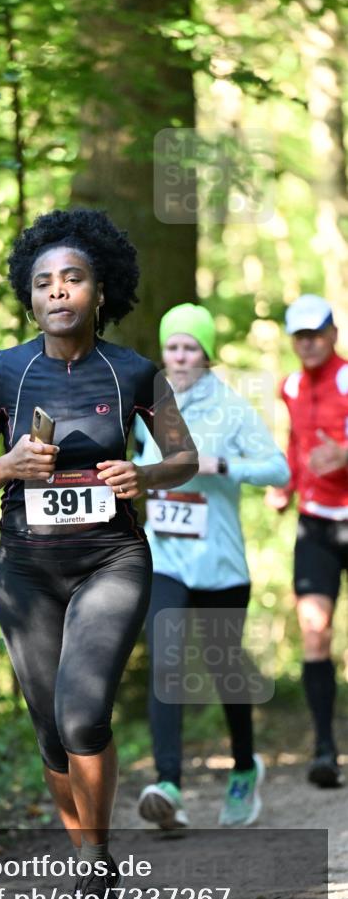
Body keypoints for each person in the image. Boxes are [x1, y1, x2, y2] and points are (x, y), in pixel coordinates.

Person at [0, 208, 198, 899]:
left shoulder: (133, 371)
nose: (57, 291)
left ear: (99, 290)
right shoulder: (4, 372)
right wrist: (6, 466)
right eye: (43, 283)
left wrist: (143, 475)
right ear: (29, 297)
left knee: (83, 716)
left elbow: (183, 457)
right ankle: (89, 860)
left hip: (110, 560)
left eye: (73, 278)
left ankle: (97, 861)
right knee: (50, 732)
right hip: (26, 572)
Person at [133, 303, 290, 829]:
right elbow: (138, 463)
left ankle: (244, 768)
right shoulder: (150, 405)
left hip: (220, 563)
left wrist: (219, 464)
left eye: (190, 347)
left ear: (206, 354)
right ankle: (169, 786)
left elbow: (279, 469)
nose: (179, 356)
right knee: (166, 665)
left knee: (226, 672)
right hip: (166, 558)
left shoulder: (231, 408)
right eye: (172, 346)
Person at [266, 294, 347, 788]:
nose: (309, 343)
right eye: (300, 336)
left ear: (333, 333)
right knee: (315, 632)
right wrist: (287, 484)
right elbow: (297, 443)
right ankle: (324, 750)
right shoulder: (291, 386)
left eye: (316, 333)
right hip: (315, 523)